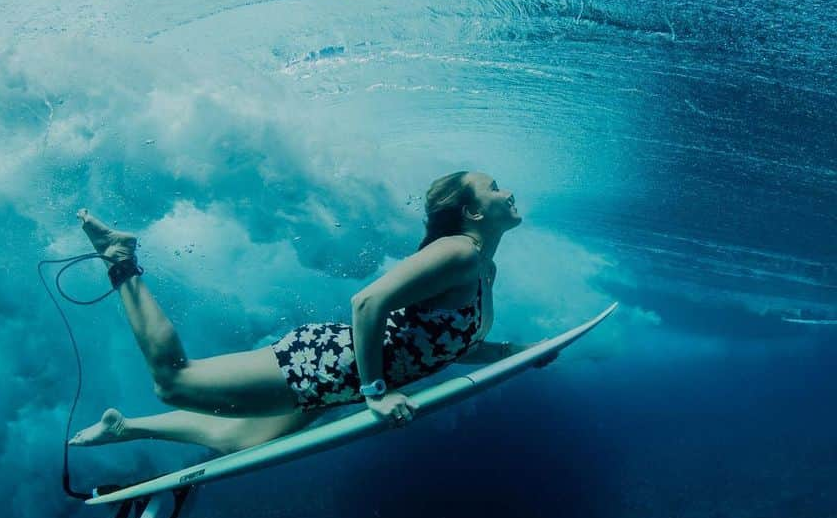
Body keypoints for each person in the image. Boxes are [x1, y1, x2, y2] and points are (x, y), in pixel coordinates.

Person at [70, 170, 555, 456]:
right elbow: (367, 303)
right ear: (471, 213)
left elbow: (452, 346)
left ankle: (126, 428)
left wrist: (516, 352)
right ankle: (121, 259)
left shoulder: (482, 268)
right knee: (172, 381)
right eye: (494, 188)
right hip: (326, 365)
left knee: (240, 444)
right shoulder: (460, 253)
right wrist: (376, 396)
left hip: (341, 384)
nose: (506, 192)